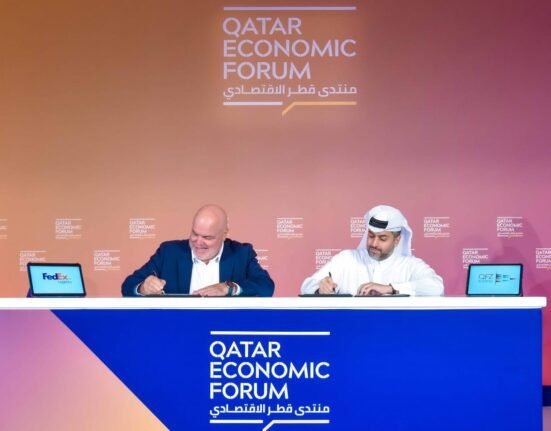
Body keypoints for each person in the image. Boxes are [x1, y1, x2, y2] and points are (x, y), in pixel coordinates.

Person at [122, 204, 274, 297]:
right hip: (177, 330)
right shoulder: (169, 252)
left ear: (224, 234)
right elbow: (128, 286)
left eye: (207, 237)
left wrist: (228, 288)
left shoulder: (242, 254)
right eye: (195, 234)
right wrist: (143, 287)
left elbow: (266, 286)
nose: (198, 242)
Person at [300, 205, 444, 296]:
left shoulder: (410, 265)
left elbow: (436, 287)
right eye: (371, 236)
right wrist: (320, 288)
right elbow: (306, 286)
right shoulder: (346, 259)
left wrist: (390, 288)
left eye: (382, 238)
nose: (374, 243)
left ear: (397, 240)